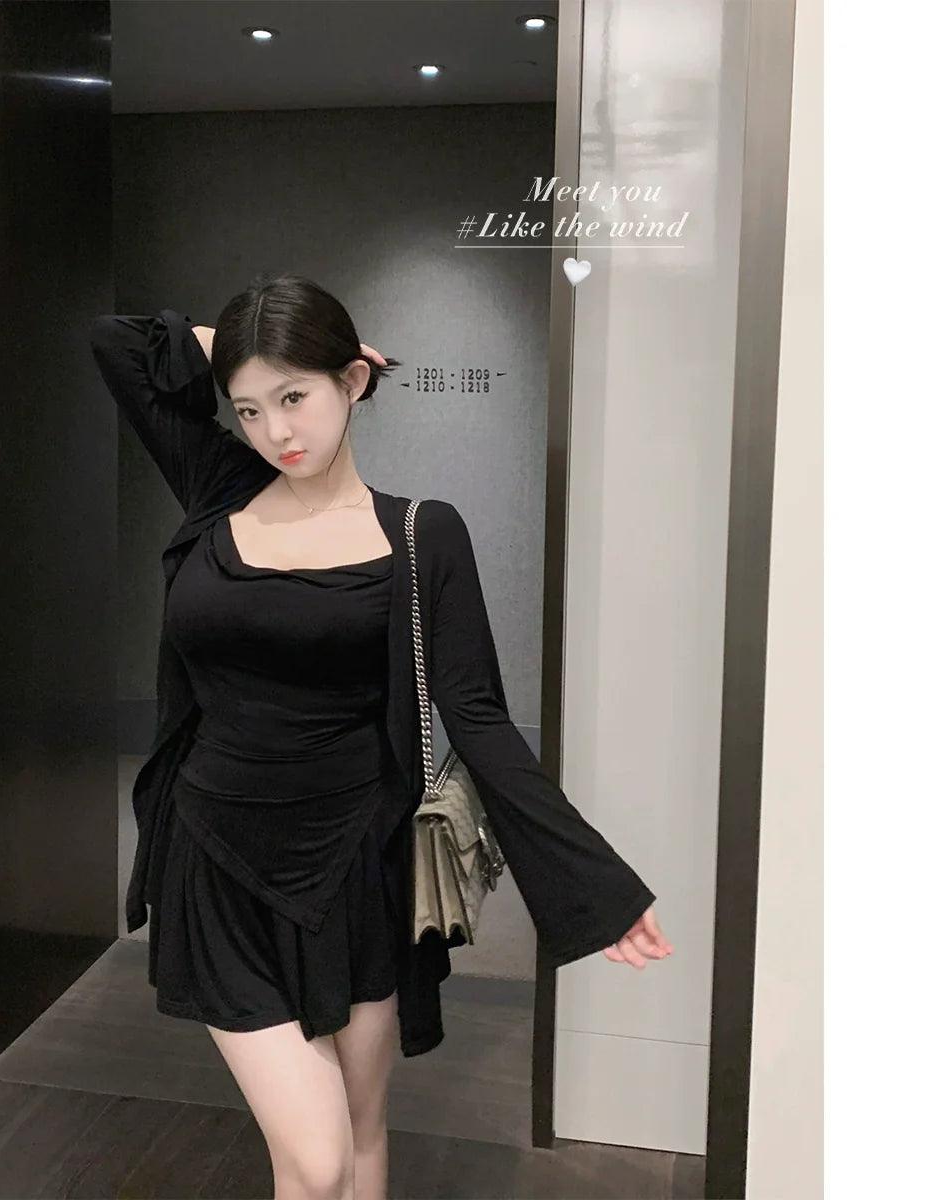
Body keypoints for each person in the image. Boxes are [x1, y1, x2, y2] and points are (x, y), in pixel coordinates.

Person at [90, 273, 672, 1200]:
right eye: (249, 409)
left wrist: (598, 886)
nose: (276, 433)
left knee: (360, 1132)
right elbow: (116, 341)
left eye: (296, 396)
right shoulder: (218, 486)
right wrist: (233, 339)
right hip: (217, 858)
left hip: (357, 868)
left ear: (353, 382)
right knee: (316, 1159)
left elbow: (478, 719)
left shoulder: (421, 534)